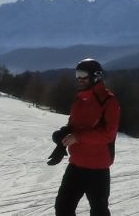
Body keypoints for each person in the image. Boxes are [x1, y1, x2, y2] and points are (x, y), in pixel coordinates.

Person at [52, 58, 121, 216]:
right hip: (76, 166)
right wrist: (61, 138)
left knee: (99, 211)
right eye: (77, 74)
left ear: (96, 76)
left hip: (98, 169)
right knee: (62, 208)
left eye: (83, 75)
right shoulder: (80, 99)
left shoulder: (109, 101)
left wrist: (78, 137)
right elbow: (73, 125)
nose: (79, 79)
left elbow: (108, 134)